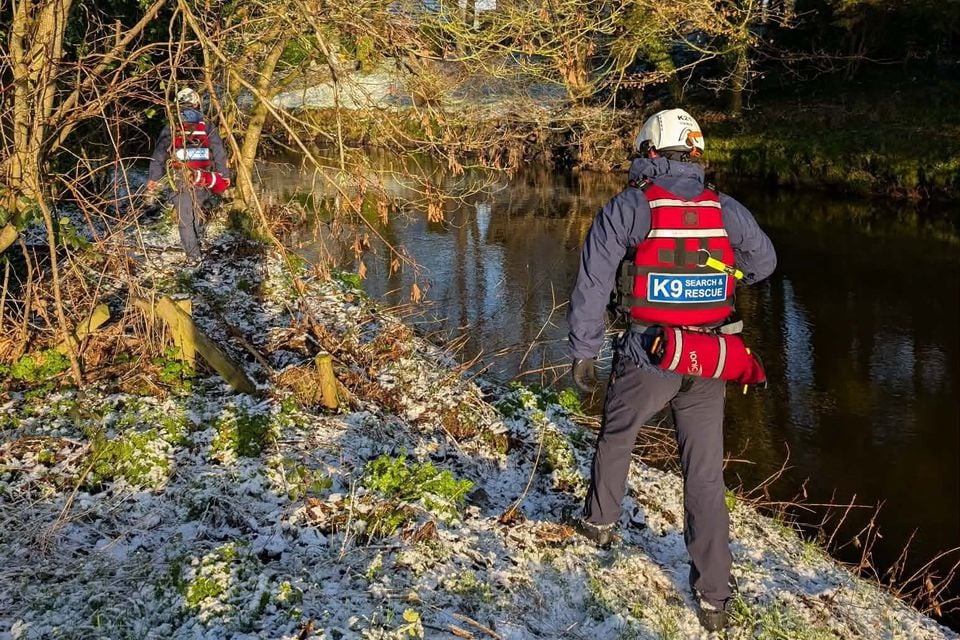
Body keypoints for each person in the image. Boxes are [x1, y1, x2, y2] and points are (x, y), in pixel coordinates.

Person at [566, 108, 777, 631]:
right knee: (704, 475)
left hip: (647, 354)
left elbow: (593, 285)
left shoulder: (628, 208)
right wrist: (725, 275)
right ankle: (715, 599)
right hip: (709, 358)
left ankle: (599, 523)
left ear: (649, 152)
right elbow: (764, 263)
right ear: (696, 156)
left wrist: (583, 352)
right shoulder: (725, 208)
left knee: (617, 436)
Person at [146, 87, 231, 265]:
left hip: (179, 178)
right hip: (203, 177)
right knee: (195, 213)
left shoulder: (172, 127)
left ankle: (193, 257)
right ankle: (193, 249)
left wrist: (154, 177)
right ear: (197, 104)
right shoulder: (207, 126)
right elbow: (219, 152)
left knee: (185, 218)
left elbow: (160, 153)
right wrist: (224, 175)